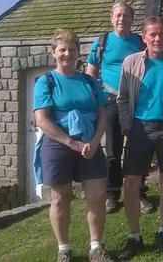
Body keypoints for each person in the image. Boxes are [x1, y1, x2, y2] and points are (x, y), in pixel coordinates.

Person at [34, 29, 114, 262]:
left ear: (79, 54)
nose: (67, 54)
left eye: (72, 49)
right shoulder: (45, 82)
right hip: (59, 143)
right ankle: (64, 249)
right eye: (62, 50)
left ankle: (96, 247)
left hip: (90, 142)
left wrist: (95, 140)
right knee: (60, 197)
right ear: (53, 54)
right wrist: (72, 143)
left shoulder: (90, 81)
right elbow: (42, 120)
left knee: (98, 195)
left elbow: (102, 113)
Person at [116, 16, 163, 258]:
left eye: (161, 33)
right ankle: (134, 236)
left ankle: (162, 231)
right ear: (144, 37)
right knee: (131, 183)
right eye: (152, 34)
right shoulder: (131, 62)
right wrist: (128, 126)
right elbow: (123, 98)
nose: (158, 38)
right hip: (140, 128)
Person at [85, 0, 152, 215]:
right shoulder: (102, 41)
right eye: (118, 15)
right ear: (111, 18)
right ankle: (113, 193)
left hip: (136, 102)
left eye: (126, 16)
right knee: (113, 151)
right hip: (111, 100)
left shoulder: (139, 42)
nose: (122, 19)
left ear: (132, 19)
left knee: (138, 149)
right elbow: (91, 71)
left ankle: (140, 192)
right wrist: (94, 100)